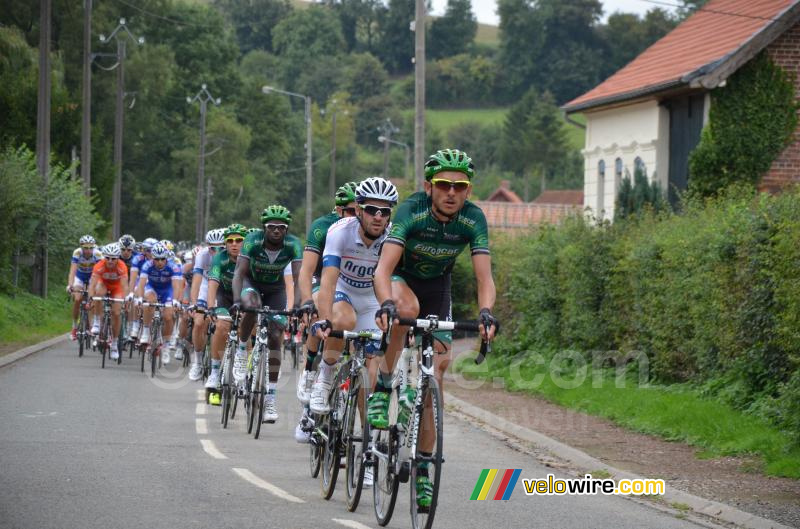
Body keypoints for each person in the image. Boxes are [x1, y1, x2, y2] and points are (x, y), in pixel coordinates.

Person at [372, 149, 499, 509]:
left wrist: (486, 312)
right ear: (430, 186)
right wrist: (386, 304)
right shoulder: (412, 210)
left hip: (438, 289)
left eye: (460, 186)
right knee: (405, 310)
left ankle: (423, 470)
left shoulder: (473, 220)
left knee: (436, 380)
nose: (451, 192)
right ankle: (384, 382)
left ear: (468, 191)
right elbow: (383, 270)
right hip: (401, 280)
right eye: (444, 184)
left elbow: (484, 277)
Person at [307, 177, 397, 454]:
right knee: (342, 321)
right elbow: (328, 281)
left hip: (371, 300)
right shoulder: (339, 232)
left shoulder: (392, 236)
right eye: (372, 209)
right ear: (358, 210)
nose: (378, 217)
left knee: (370, 378)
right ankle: (325, 375)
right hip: (342, 291)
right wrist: (324, 319)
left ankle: (368, 446)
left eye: (385, 211)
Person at [231, 205, 302, 424]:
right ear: (265, 227)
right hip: (251, 283)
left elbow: (300, 278)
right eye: (272, 227)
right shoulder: (253, 240)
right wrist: (235, 301)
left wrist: (298, 305)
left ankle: (270, 396)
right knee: (251, 307)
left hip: (276, 290)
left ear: (286, 229)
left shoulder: (293, 244)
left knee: (275, 335)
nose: (277, 231)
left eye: (281, 227)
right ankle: (242, 351)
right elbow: (239, 273)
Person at [296, 182, 359, 405]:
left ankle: (346, 383)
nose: (355, 216)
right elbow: (306, 270)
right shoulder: (322, 226)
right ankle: (310, 370)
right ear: (338, 210)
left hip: (352, 284)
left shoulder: (365, 227)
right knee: (319, 311)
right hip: (321, 279)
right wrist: (305, 301)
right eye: (351, 211)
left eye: (359, 210)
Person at [203, 223, 247, 387]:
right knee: (221, 326)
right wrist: (210, 307)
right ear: (226, 244)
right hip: (225, 296)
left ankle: (245, 372)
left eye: (239, 240)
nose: (234, 244)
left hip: (244, 297)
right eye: (230, 241)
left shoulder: (252, 258)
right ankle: (214, 373)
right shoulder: (219, 258)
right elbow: (213, 283)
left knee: (246, 328)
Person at [135, 242, 183, 357]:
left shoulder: (173, 267)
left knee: (168, 316)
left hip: (167, 291)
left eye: (162, 259)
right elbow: (141, 284)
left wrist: (175, 300)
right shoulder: (147, 265)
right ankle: (146, 331)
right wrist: (140, 298)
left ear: (166, 258)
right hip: (152, 288)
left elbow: (177, 286)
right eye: (157, 259)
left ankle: (166, 345)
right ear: (152, 258)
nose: (160, 262)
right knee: (150, 302)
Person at [189, 229, 225, 370]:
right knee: (198, 322)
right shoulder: (202, 255)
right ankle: (197, 361)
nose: (216, 252)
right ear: (207, 247)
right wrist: (193, 304)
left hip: (223, 287)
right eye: (212, 248)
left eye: (220, 248)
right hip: (205, 284)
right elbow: (196, 281)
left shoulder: (232, 255)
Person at [87, 243, 129, 360]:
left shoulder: (122, 266)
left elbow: (125, 286)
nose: (110, 261)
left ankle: (115, 344)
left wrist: (125, 300)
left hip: (117, 288)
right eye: (107, 258)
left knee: (116, 313)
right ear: (104, 257)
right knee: (98, 293)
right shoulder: (99, 265)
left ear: (118, 258)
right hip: (103, 284)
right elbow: (92, 285)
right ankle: (96, 321)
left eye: (113, 258)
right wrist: (90, 298)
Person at [67, 235, 103, 340]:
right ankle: (74, 327)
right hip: (80, 276)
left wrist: (98, 287)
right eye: (85, 248)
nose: (88, 250)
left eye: (91, 248)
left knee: (92, 300)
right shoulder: (77, 253)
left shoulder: (97, 254)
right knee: (78, 299)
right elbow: (72, 271)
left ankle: (91, 326)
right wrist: (70, 285)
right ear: (81, 247)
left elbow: (100, 273)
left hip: (93, 276)